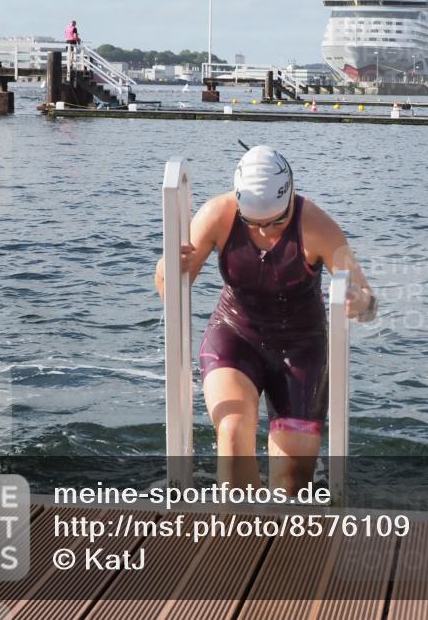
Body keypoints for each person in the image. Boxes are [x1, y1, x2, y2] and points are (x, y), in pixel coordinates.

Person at [154, 145, 377, 491]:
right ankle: (240, 536)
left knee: (291, 483)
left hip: (302, 347)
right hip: (235, 335)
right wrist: (169, 266)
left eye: (277, 222)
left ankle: (280, 537)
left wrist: (357, 303)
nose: (266, 232)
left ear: (290, 200)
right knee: (231, 432)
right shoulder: (218, 214)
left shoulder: (316, 225)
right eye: (254, 224)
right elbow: (169, 290)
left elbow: (368, 300)